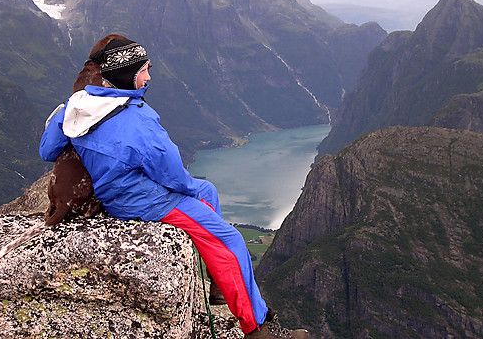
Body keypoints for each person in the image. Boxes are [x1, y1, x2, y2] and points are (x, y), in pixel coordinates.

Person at [39, 36, 308, 339]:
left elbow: (48, 150)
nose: (149, 77)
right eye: (144, 70)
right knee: (230, 242)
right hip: (143, 201)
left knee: (208, 191)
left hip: (114, 193)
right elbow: (170, 172)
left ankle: (220, 287)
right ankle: (256, 329)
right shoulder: (136, 119)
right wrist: (188, 189)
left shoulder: (79, 106)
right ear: (128, 74)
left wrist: (61, 115)